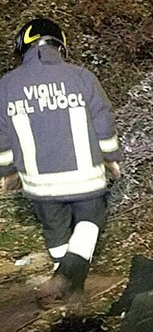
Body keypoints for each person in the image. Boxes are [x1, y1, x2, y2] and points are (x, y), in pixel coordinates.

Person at [0, 18, 122, 301]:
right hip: (84, 177)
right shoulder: (80, 76)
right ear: (59, 44)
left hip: (38, 183)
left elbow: (2, 135)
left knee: (54, 228)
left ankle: (69, 290)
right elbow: (103, 122)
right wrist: (111, 158)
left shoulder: (7, 85)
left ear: (24, 46)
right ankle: (67, 276)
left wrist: (7, 171)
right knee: (92, 219)